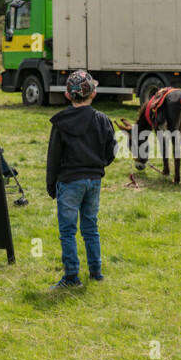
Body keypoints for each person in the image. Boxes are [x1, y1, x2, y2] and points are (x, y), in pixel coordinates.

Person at [46, 70, 117, 289]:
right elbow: (112, 150)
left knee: (68, 231)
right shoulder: (103, 120)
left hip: (69, 182)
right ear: (93, 94)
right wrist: (98, 166)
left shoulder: (60, 124)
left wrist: (51, 186)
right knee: (90, 227)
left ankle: (71, 277)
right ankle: (96, 272)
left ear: (68, 96)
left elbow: (53, 157)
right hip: (93, 181)